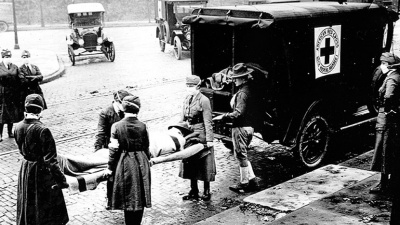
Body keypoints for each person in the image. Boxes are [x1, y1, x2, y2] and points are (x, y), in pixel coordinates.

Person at [14, 94, 69, 225]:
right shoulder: (43, 130)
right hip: (41, 173)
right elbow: (51, 161)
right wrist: (62, 181)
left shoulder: (17, 127)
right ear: (39, 110)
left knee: (28, 203)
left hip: (26, 169)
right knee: (45, 209)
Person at [103, 95, 151, 225]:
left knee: (128, 196)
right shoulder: (143, 126)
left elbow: (113, 150)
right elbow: (146, 146)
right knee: (140, 196)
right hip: (142, 162)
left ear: (124, 109)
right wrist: (148, 160)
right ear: (138, 109)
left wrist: (109, 168)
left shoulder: (116, 126)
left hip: (125, 163)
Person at [213, 63, 260, 193]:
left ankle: (244, 183)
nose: (234, 80)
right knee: (243, 155)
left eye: (237, 77)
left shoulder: (242, 94)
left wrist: (223, 117)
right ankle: (253, 180)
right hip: (249, 127)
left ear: (243, 78)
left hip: (240, 128)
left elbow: (238, 113)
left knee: (241, 156)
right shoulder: (249, 89)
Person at [180, 75, 216, 201]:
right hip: (189, 133)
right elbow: (182, 118)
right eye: (187, 86)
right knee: (190, 161)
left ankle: (206, 190)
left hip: (201, 133)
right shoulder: (186, 99)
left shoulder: (204, 100)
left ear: (198, 86)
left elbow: (208, 121)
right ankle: (193, 190)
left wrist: (209, 139)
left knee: (204, 162)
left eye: (191, 86)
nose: (189, 88)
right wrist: (180, 131)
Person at [370, 52, 400, 194]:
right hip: (393, 118)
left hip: (386, 119)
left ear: (389, 66)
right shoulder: (397, 76)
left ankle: (383, 184)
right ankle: (391, 181)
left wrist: (387, 110)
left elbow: (388, 96)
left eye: (383, 63)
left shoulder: (391, 79)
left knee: (383, 149)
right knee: (391, 150)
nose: (382, 66)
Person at [0, 49, 24, 142]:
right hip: (2, 94)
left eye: (9, 57)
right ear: (3, 57)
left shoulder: (14, 67)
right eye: (6, 57)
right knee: (1, 115)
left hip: (13, 94)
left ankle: (10, 132)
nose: (8, 59)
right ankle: (0, 134)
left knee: (11, 114)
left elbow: (20, 78)